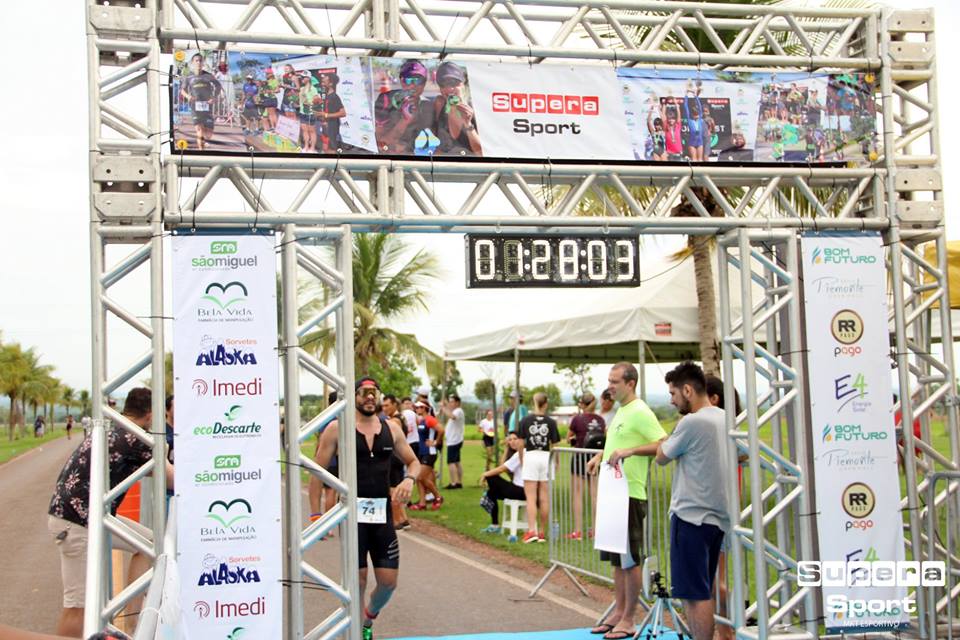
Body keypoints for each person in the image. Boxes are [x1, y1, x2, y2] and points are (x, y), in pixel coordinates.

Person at [48, 387, 174, 637]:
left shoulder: (113, 430)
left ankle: (133, 623)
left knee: (148, 544)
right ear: (151, 414)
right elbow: (172, 479)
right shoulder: (136, 439)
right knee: (77, 608)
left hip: (87, 516)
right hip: (78, 522)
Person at [312, 377, 420, 640]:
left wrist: (409, 479)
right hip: (352, 516)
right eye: (364, 393)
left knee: (388, 583)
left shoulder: (392, 428)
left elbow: (414, 462)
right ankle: (355, 633)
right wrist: (315, 513)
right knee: (358, 580)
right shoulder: (337, 429)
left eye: (374, 392)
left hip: (382, 516)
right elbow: (316, 472)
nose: (370, 397)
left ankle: (368, 617)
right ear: (354, 397)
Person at [586, 363, 667, 640]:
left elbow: (663, 443)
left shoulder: (641, 411)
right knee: (617, 558)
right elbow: (617, 445)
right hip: (613, 494)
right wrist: (600, 456)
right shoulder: (622, 410)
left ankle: (630, 619)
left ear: (630, 383)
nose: (609, 386)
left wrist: (631, 451)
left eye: (615, 381)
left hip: (630, 494)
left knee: (630, 559)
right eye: (609, 380)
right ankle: (618, 612)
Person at [655, 362, 733, 640]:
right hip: (718, 519)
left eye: (673, 394)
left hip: (690, 517)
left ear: (687, 390)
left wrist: (673, 433)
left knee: (694, 594)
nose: (672, 401)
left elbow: (661, 456)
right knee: (705, 587)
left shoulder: (691, 422)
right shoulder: (726, 418)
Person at [518, 392, 560, 543]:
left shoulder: (525, 420)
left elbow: (520, 444)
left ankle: (532, 531)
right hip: (546, 457)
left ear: (534, 403)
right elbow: (555, 445)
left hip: (531, 456)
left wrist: (522, 460)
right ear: (546, 404)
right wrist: (556, 462)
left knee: (531, 497)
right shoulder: (551, 422)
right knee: (544, 498)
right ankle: (542, 532)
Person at [566, 393, 605, 540]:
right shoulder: (600, 420)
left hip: (579, 457)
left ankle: (578, 531)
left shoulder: (577, 419)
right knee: (594, 495)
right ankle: (595, 530)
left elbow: (568, 438)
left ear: (582, 404)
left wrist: (574, 439)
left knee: (577, 495)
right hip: (595, 458)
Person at [374, 60, 431, 154]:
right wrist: (404, 120)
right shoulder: (386, 100)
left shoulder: (427, 106)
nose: (412, 85)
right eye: (408, 80)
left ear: (424, 83)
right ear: (401, 81)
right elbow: (380, 145)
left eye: (418, 80)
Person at [429, 61, 482, 156]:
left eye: (453, 83)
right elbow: (434, 144)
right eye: (443, 84)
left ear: (463, 84)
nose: (449, 89)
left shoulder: (476, 109)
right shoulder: (439, 104)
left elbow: (481, 153)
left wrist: (468, 124)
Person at [478, 432, 526, 533]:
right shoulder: (520, 453)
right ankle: (494, 524)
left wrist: (485, 474)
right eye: (510, 440)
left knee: (492, 477)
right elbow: (502, 465)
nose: (512, 442)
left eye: (515, 439)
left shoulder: (520, 454)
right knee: (492, 493)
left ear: (522, 440)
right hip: (522, 490)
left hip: (521, 491)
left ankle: (487, 497)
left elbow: (501, 469)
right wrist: (506, 449)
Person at [308, 391, 341, 526]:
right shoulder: (341, 418)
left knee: (328, 491)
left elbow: (320, 441)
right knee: (331, 492)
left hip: (326, 459)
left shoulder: (325, 419)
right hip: (336, 460)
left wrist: (316, 457)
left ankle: (324, 523)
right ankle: (329, 524)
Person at [179, 53, 223, 150]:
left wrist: (214, 97)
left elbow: (218, 86)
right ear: (192, 63)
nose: (198, 62)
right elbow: (182, 90)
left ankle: (204, 140)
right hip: (195, 106)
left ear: (203, 63)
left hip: (207, 106)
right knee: (199, 130)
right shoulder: (188, 77)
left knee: (208, 135)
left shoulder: (208, 76)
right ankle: (201, 152)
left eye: (200, 61)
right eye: (196, 61)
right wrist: (188, 96)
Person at [381, 394, 410, 530]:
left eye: (387, 405)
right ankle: (404, 519)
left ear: (394, 405)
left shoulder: (395, 421)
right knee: (396, 489)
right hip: (398, 457)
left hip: (394, 457)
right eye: (383, 405)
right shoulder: (400, 418)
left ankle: (396, 521)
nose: (384, 408)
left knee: (392, 491)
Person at [410, 400, 444, 511]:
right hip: (422, 453)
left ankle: (438, 497)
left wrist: (436, 442)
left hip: (430, 452)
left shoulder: (429, 419)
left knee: (421, 477)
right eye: (416, 407)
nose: (417, 409)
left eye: (419, 407)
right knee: (419, 479)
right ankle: (422, 503)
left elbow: (441, 430)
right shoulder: (422, 420)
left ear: (425, 408)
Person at [316, 72, 346, 153]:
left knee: (331, 150)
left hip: (332, 127)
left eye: (324, 82)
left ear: (331, 84)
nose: (322, 84)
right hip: (326, 127)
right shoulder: (327, 95)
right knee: (325, 148)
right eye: (322, 82)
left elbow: (343, 113)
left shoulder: (334, 97)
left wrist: (325, 115)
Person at [441, 394, 465, 489]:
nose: (450, 403)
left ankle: (453, 482)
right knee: (456, 462)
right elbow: (450, 411)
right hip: (454, 440)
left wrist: (444, 408)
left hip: (454, 441)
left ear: (457, 403)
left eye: (452, 402)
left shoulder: (458, 411)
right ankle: (458, 482)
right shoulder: (456, 410)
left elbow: (452, 416)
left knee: (451, 462)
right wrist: (445, 405)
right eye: (450, 402)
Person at [298, 71, 320, 152]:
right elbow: (301, 100)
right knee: (304, 131)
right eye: (301, 77)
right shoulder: (301, 88)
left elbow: (317, 101)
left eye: (303, 77)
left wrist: (311, 103)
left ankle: (312, 148)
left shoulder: (313, 89)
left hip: (310, 113)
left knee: (312, 131)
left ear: (308, 78)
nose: (302, 79)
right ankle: (306, 146)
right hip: (302, 112)